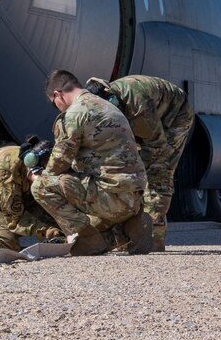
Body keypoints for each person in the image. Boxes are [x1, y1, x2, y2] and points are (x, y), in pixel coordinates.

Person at [31, 69, 151, 256]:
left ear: (58, 95)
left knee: (41, 187)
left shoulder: (76, 113)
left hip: (111, 196)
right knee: (94, 224)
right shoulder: (108, 106)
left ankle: (89, 241)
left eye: (53, 103)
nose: (56, 107)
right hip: (134, 195)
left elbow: (59, 162)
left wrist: (39, 176)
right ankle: (131, 226)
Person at [85, 74, 194, 250]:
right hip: (145, 121)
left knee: (158, 172)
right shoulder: (98, 106)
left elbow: (157, 144)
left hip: (174, 117)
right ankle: (127, 236)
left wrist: (137, 173)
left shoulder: (137, 105)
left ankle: (153, 237)